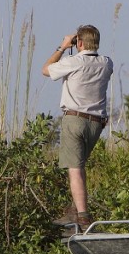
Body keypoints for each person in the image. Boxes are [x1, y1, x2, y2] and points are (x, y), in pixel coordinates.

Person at [42, 24, 113, 230]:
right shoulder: (107, 63)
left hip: (75, 120)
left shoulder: (73, 61)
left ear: (79, 43)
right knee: (80, 166)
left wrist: (63, 46)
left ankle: (82, 217)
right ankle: (74, 210)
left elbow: (45, 70)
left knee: (75, 169)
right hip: (96, 123)